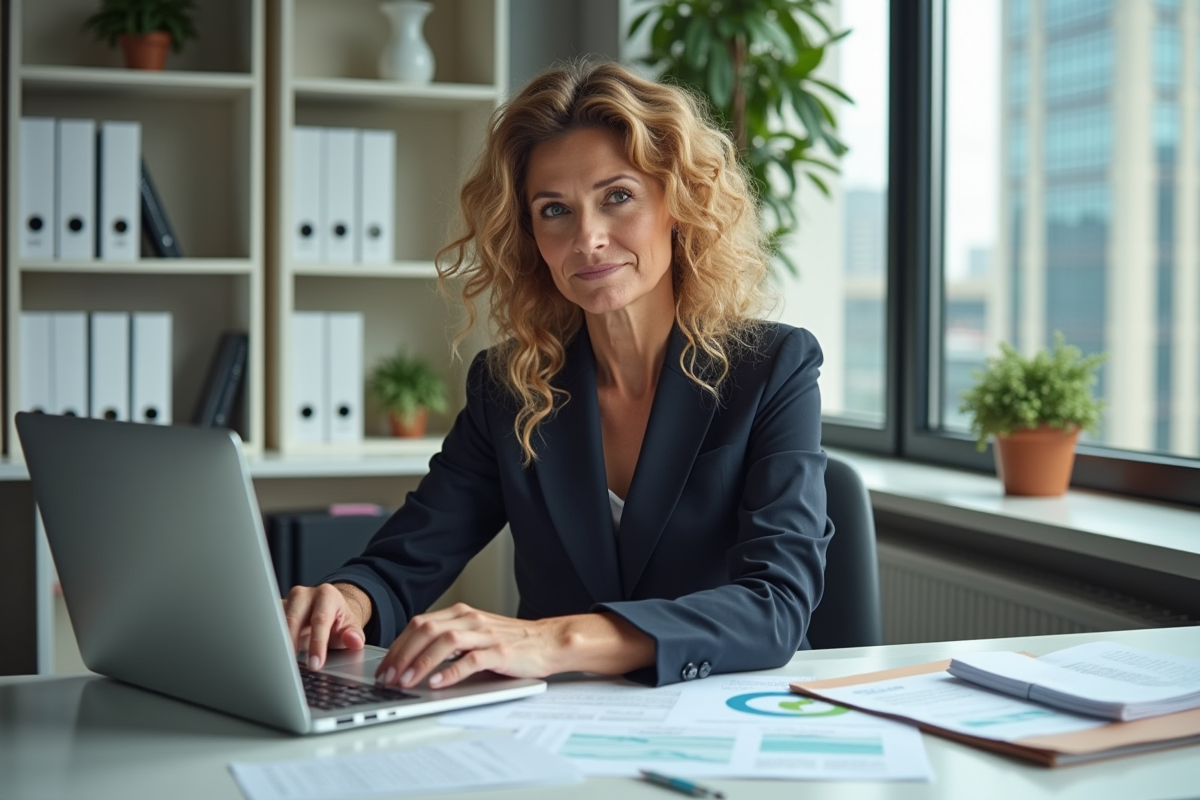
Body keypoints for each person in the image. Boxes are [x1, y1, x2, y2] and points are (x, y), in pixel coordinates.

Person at [283, 60, 832, 689]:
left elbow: (777, 604)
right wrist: (346, 600)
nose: (587, 238)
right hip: (554, 727)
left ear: (677, 204)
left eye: (617, 197)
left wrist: (554, 638)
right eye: (554, 210)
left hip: (726, 711)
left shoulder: (773, 368)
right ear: (530, 236)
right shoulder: (508, 386)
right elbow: (409, 556)